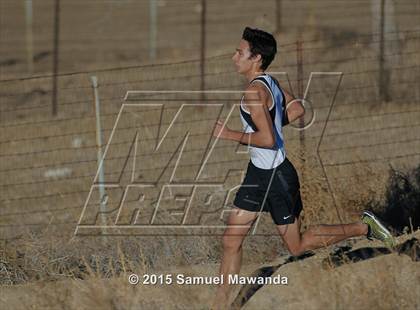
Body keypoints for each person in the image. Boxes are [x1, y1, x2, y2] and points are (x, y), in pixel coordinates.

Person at [211, 27, 395, 309]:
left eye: (240, 52)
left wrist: (230, 135)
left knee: (296, 246)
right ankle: (221, 303)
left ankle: (364, 226)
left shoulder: (253, 91)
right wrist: (271, 125)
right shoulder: (268, 81)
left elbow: (269, 140)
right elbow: (297, 109)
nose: (234, 57)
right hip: (258, 174)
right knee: (231, 239)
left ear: (256, 58)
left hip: (276, 177)